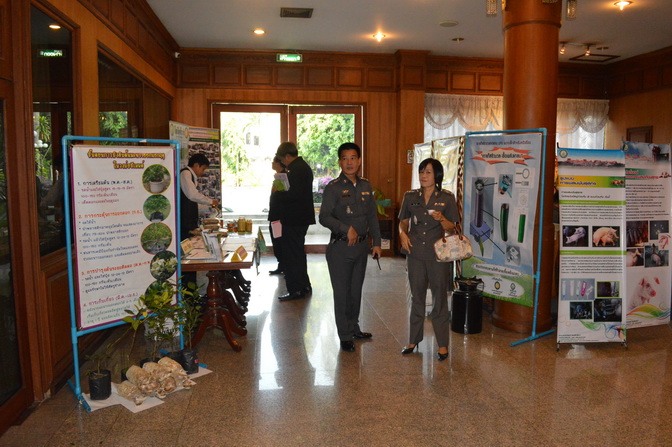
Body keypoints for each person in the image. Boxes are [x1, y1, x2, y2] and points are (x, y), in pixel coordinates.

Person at [319, 143, 382, 353]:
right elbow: (324, 217)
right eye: (345, 158)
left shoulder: (366, 186)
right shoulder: (333, 187)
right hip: (341, 248)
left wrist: (377, 243)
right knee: (342, 293)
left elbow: (372, 216)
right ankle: (344, 335)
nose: (349, 162)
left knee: (355, 291)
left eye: (353, 158)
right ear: (339, 162)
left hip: (361, 248)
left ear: (359, 161)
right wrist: (346, 229)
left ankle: (354, 328)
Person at [398, 158, 459, 361]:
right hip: (415, 252)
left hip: (437, 254)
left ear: (437, 176)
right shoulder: (410, 196)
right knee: (417, 297)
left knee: (439, 298)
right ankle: (413, 340)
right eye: (421, 171)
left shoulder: (447, 198)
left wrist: (442, 219)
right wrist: (402, 234)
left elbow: (452, 228)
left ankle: (442, 344)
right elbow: (403, 222)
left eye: (428, 172)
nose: (423, 176)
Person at [272, 142, 315, 301]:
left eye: (283, 159)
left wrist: (278, 191)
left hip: (294, 218)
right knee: (297, 253)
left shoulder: (297, 170)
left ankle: (295, 289)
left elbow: (293, 195)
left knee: (291, 255)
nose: (283, 162)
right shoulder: (302, 167)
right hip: (299, 218)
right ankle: (304, 285)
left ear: (288, 156)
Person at [180, 153, 218, 241]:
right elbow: (192, 195)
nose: (203, 172)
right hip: (184, 223)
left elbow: (192, 203)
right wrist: (211, 201)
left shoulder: (191, 176)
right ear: (196, 165)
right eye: (203, 169)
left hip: (190, 223)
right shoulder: (185, 173)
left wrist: (208, 208)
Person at [268, 156, 286, 275]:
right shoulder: (278, 176)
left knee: (279, 241)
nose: (272, 163)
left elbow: (281, 195)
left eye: (273, 161)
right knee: (276, 240)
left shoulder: (283, 177)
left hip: (278, 217)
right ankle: (281, 264)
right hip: (275, 215)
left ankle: (283, 265)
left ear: (279, 163)